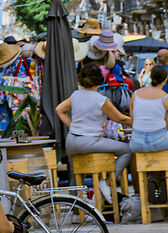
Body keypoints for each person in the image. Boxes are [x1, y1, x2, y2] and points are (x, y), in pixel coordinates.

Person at [57, 61, 133, 191]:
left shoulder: (75, 95)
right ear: (99, 79)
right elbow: (121, 119)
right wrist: (141, 122)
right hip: (89, 142)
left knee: (76, 175)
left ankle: (75, 206)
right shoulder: (100, 99)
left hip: (71, 142)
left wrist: (73, 126)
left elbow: (59, 110)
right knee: (127, 150)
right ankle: (108, 183)